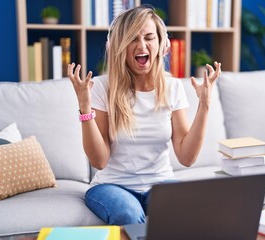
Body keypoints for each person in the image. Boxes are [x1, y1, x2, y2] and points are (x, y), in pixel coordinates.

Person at [67, 4, 221, 225]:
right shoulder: (102, 87)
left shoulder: (173, 87)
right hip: (111, 185)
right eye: (132, 39)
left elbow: (187, 158)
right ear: (119, 46)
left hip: (160, 182)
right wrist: (84, 107)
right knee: (127, 214)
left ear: (161, 44)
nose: (141, 45)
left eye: (149, 37)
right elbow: (99, 161)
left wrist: (204, 104)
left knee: (189, 207)